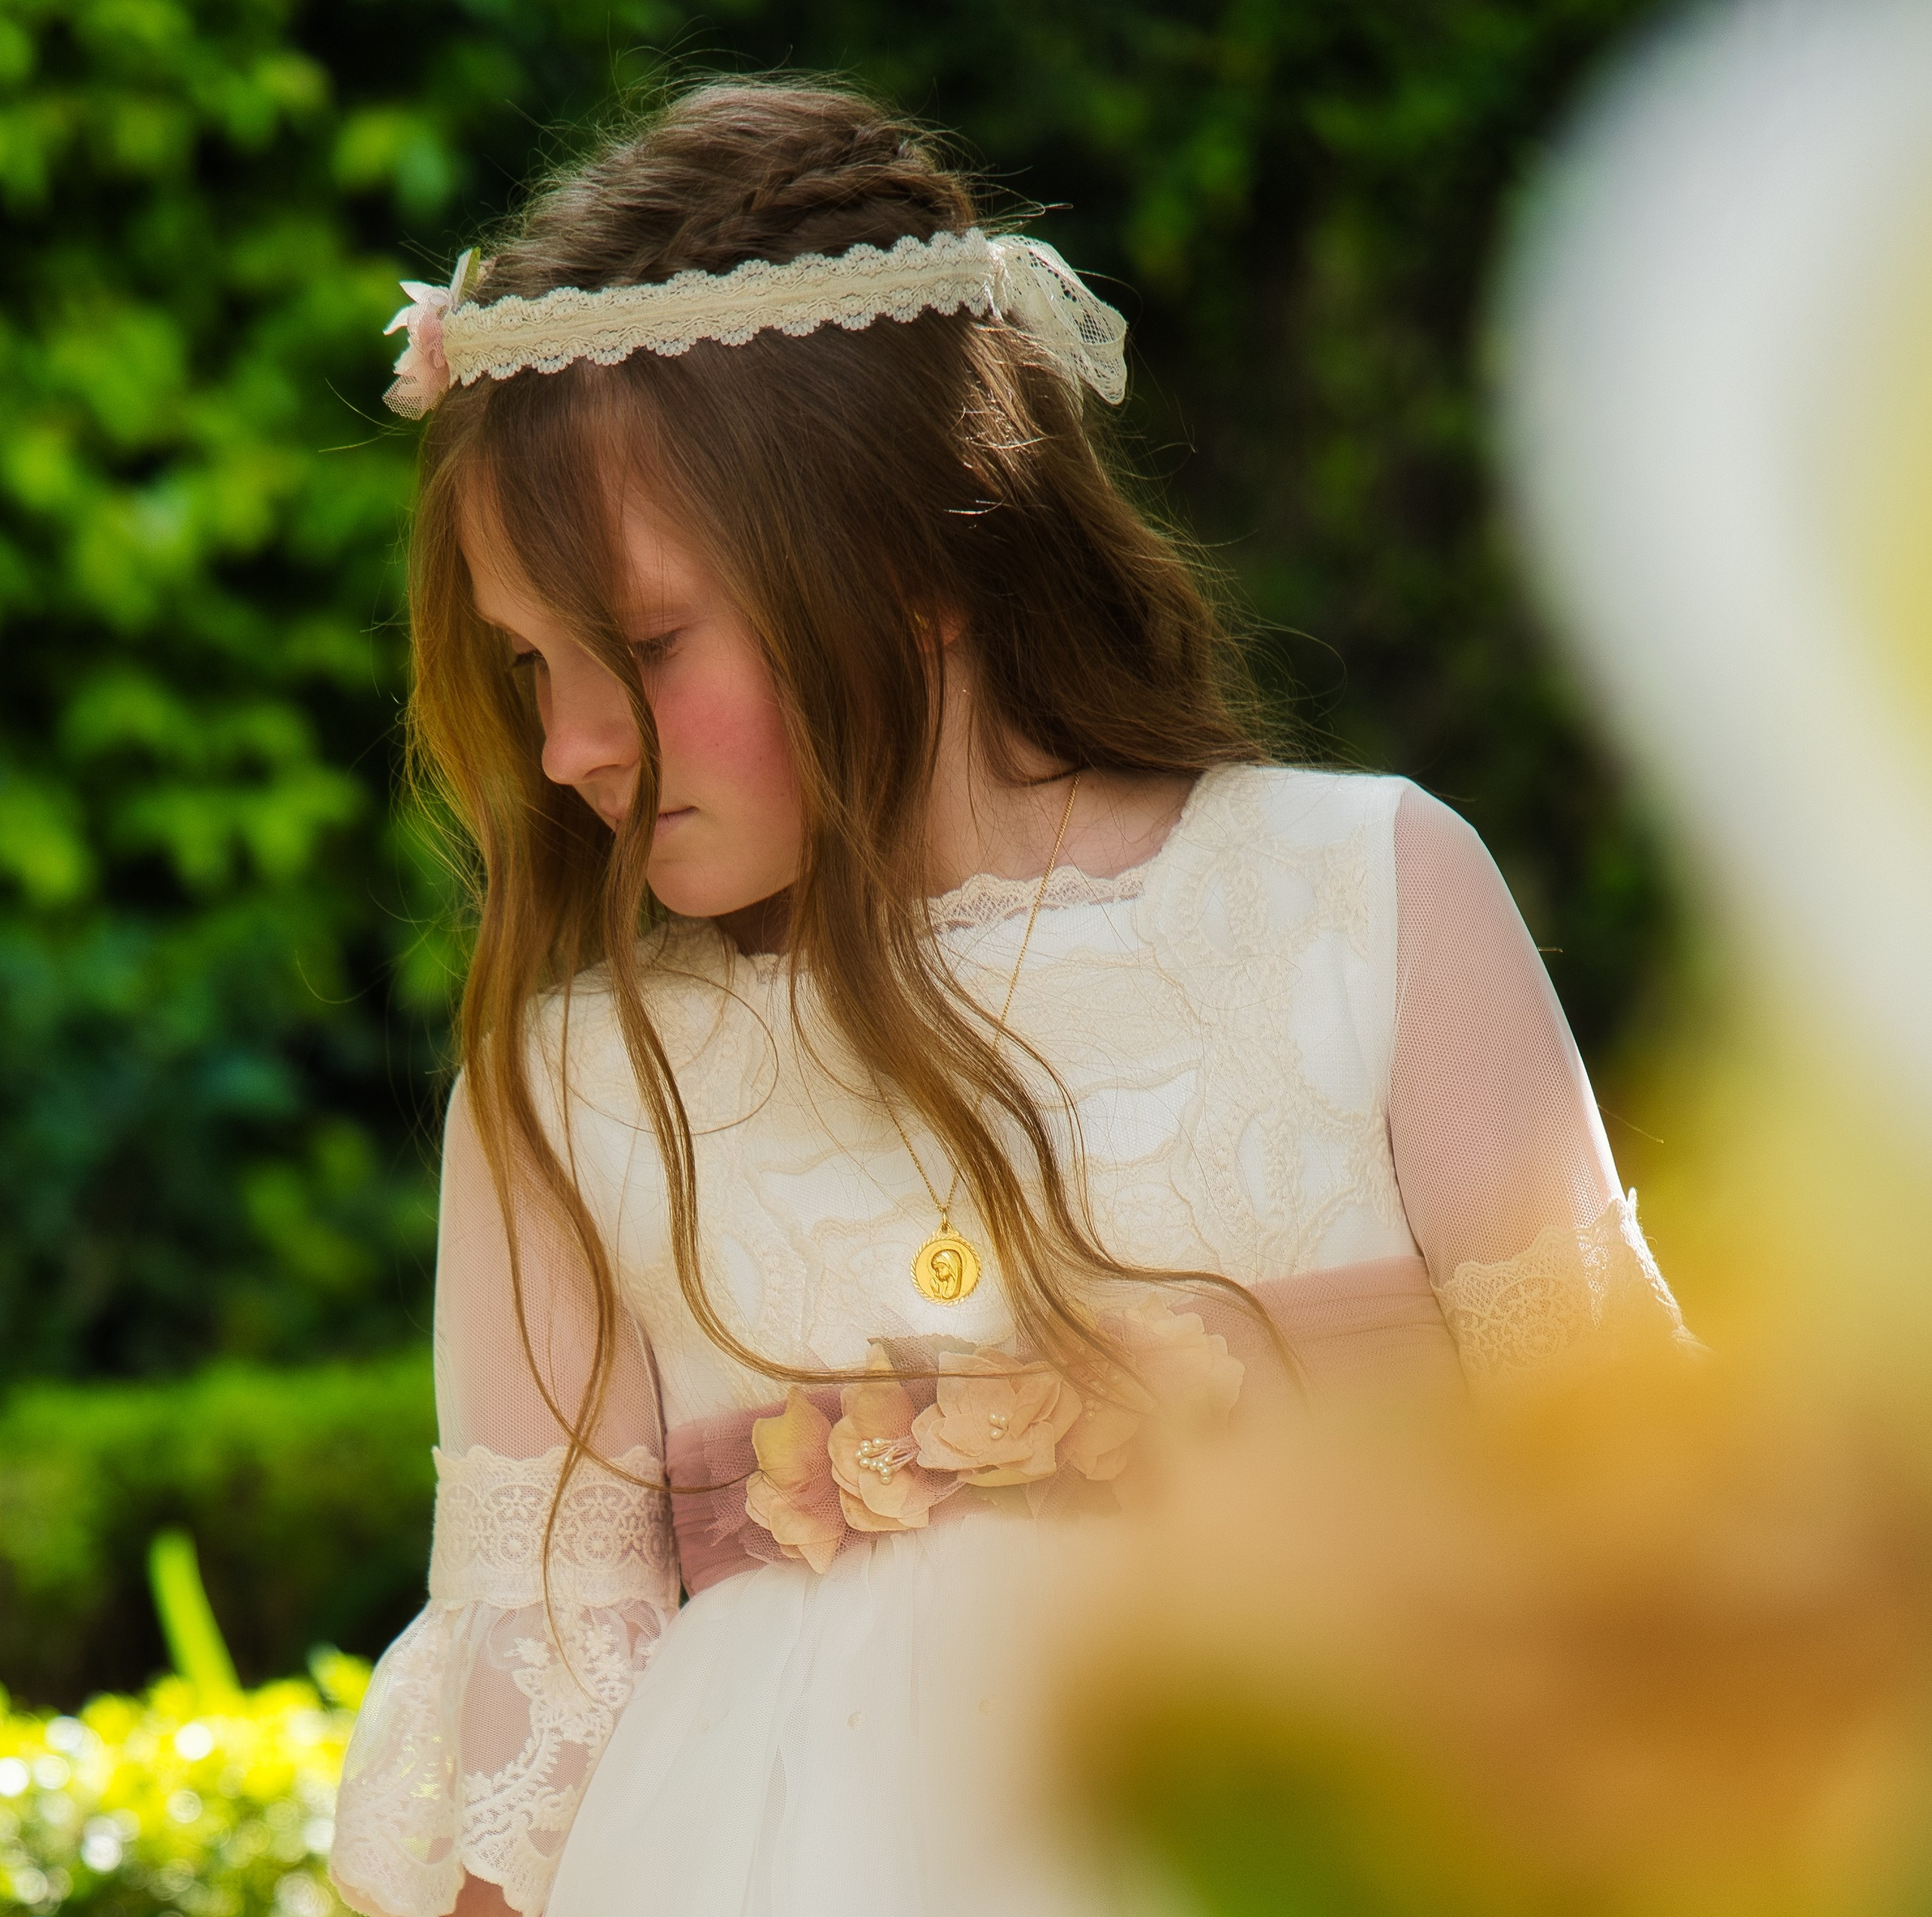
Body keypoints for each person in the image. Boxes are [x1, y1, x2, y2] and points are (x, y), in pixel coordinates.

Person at [327, 76, 1690, 1917]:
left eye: (642, 646)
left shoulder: (1358, 895)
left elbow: (1635, 1507)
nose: (568, 744)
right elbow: (533, 1698)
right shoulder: (575, 1085)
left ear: (911, 564)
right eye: (526, 664)